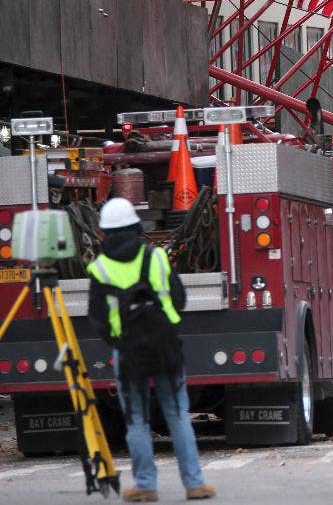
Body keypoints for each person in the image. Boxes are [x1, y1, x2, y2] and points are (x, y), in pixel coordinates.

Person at [86, 198, 215, 503]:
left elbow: (98, 318)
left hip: (128, 351)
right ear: (135, 227)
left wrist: (119, 341)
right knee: (177, 414)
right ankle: (195, 484)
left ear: (104, 233)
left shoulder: (100, 268)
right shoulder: (155, 257)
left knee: (137, 420)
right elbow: (179, 300)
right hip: (165, 347)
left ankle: (145, 485)